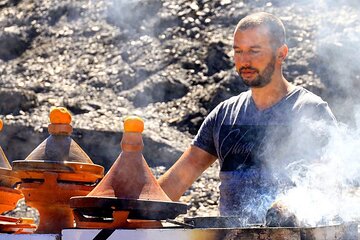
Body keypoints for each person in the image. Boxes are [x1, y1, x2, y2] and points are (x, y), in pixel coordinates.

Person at [158, 12, 337, 224]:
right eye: (238, 51)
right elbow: (176, 181)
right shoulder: (224, 115)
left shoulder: (309, 110)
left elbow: (328, 182)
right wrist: (136, 207)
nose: (244, 61)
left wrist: (291, 207)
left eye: (254, 51)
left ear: (281, 53)